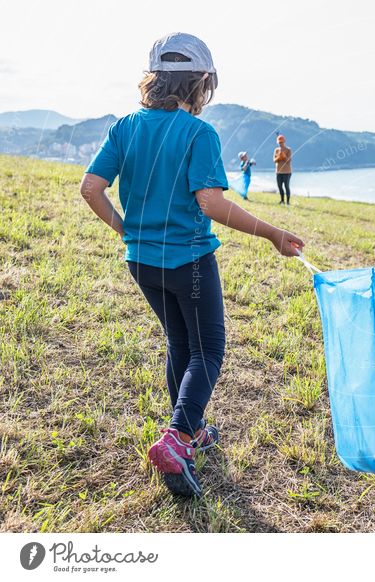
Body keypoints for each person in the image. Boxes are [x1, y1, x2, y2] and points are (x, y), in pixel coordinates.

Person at [79, 33, 304, 497]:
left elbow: (90, 188)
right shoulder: (199, 133)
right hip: (190, 262)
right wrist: (273, 234)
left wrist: (125, 230)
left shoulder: (124, 127)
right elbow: (210, 202)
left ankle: (192, 429)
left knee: (180, 340)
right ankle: (179, 440)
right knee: (208, 350)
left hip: (141, 262)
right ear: (202, 82)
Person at [273, 134, 292, 204]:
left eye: (281, 142)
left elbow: (288, 161)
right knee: (280, 186)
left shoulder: (288, 150)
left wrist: (284, 156)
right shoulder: (276, 150)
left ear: (284, 141)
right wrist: (279, 157)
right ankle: (282, 200)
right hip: (278, 172)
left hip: (287, 172)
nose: (280, 143)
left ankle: (288, 201)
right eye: (279, 142)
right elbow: (274, 160)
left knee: (286, 186)